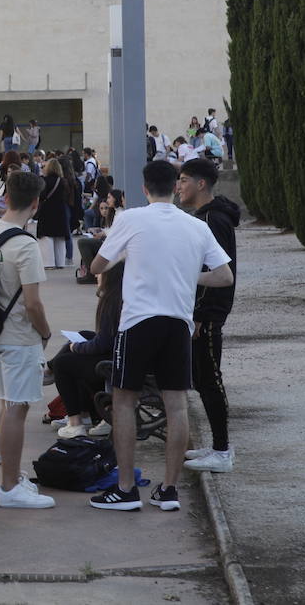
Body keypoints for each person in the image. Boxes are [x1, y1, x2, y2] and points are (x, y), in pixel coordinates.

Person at [88, 160, 233, 513]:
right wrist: (185, 276)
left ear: (144, 188)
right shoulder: (195, 225)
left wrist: (123, 254)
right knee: (176, 404)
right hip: (179, 323)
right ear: (175, 186)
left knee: (123, 400)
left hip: (138, 320)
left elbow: (96, 266)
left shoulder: (131, 219)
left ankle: (124, 489)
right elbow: (224, 275)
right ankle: (168, 490)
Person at [0, 171, 55, 508]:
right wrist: (46, 332)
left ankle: (10, 477)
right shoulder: (25, 245)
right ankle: (9, 488)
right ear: (35, 203)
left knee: (7, 405)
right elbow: (33, 303)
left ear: (5, 198)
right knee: (17, 409)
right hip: (20, 336)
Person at [176, 159, 240, 475]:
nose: (179, 186)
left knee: (211, 380)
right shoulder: (206, 217)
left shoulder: (213, 220)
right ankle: (217, 446)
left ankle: (222, 450)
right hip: (203, 312)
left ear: (201, 184)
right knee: (202, 379)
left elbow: (215, 270)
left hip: (208, 314)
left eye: (184, 180)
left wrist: (200, 314)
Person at [48, 264, 123, 438]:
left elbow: (102, 344)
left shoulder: (112, 301)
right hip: (119, 354)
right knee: (82, 336)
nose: (96, 277)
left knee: (65, 362)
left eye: (100, 275)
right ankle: (83, 414)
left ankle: (75, 423)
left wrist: (78, 347)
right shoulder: (120, 297)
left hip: (114, 360)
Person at [34, 160, 70, 268]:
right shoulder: (63, 181)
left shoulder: (44, 181)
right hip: (60, 211)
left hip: (47, 211)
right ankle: (60, 262)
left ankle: (48, 262)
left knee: (46, 237)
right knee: (60, 238)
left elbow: (41, 196)